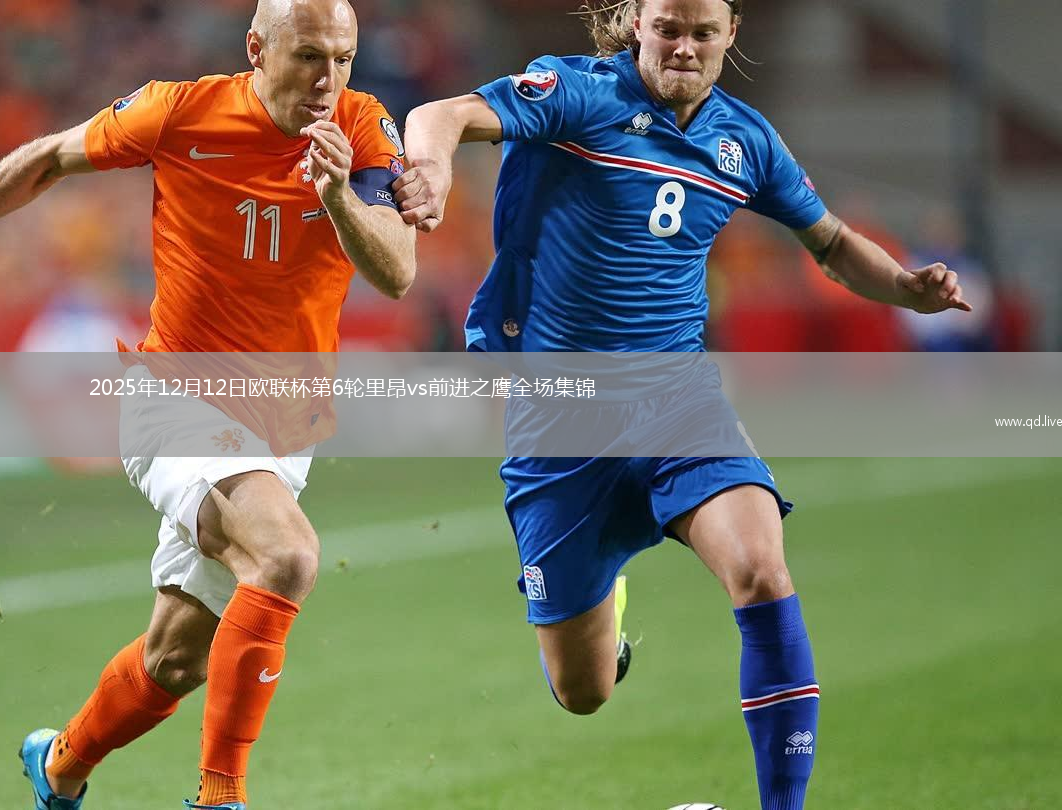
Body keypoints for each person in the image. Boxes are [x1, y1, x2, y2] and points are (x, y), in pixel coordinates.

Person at [391, 1, 969, 809]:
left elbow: (832, 243)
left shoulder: (745, 140)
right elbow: (438, 113)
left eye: (703, 32)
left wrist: (905, 287)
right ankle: (607, 593)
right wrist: (434, 169)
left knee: (761, 573)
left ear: (731, 34)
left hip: (678, 402)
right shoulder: (578, 94)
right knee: (583, 692)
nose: (685, 48)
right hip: (559, 422)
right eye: (669, 28)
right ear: (636, 23)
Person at [0, 2, 414, 808]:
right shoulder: (179, 112)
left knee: (175, 660)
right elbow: (46, 158)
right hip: (176, 401)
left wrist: (341, 196)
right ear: (257, 48)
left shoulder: (362, 126)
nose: (329, 79)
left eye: (344, 58)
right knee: (287, 557)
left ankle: (59, 766)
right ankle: (220, 797)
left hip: (286, 425)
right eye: (309, 56)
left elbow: (397, 272)